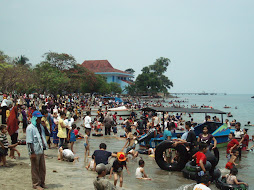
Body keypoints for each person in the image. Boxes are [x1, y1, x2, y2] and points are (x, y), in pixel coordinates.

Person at [26, 110, 50, 190]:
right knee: (35, 169)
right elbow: (29, 142)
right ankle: (36, 184)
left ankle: (42, 182)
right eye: (38, 118)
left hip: (41, 150)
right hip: (34, 151)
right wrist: (31, 153)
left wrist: (45, 126)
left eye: (40, 118)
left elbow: (48, 134)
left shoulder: (41, 127)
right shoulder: (30, 128)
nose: (39, 120)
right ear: (35, 118)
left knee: (42, 168)